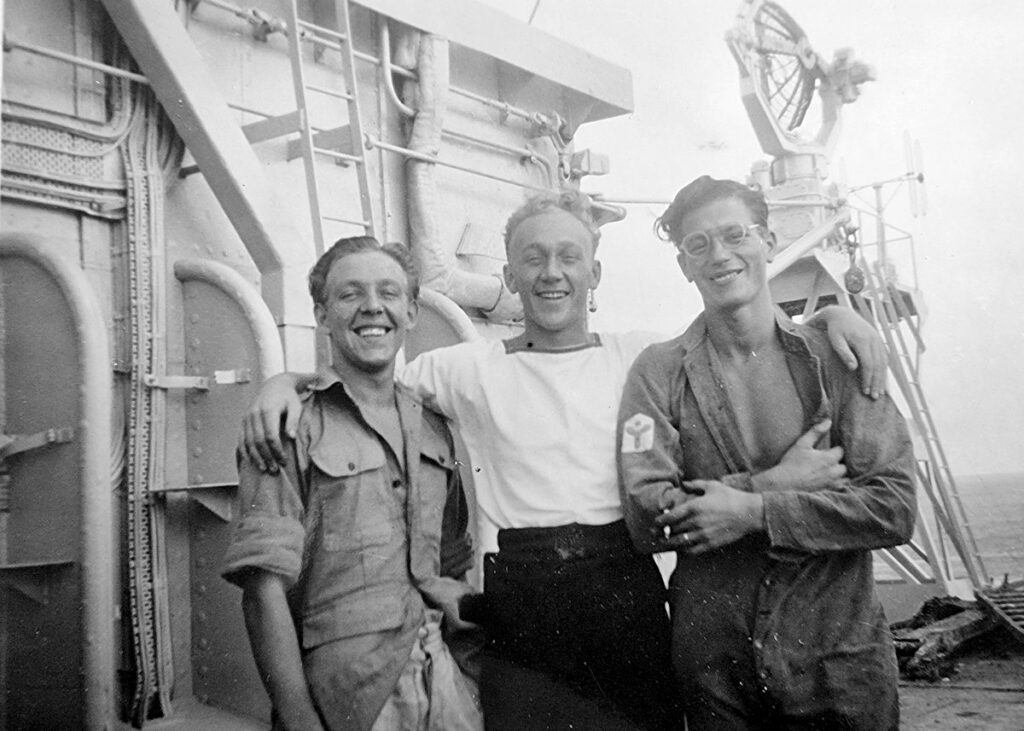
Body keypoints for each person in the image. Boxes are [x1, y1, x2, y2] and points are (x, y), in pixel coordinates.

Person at [240, 191, 887, 729]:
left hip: (623, 585)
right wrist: (285, 382)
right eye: (533, 258)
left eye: (569, 257)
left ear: (593, 274)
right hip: (522, 598)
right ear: (511, 275)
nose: (552, 272)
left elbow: (738, 322)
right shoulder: (464, 368)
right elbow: (367, 377)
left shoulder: (641, 357)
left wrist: (832, 314)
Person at [617, 176, 916, 730]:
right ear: (684, 265)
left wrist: (751, 514)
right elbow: (644, 516)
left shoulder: (839, 358)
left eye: (736, 235)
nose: (720, 255)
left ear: (770, 242)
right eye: (698, 245)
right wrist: (772, 485)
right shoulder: (657, 374)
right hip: (716, 672)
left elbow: (894, 506)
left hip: (838, 665)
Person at [222, 237, 482, 730]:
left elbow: (451, 563)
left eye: (388, 292)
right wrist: (298, 719)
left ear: (409, 312)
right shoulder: (288, 426)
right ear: (322, 314)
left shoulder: (433, 424)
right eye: (349, 295)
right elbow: (262, 591)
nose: (372, 307)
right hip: (352, 697)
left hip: (447, 683)